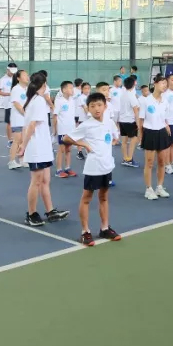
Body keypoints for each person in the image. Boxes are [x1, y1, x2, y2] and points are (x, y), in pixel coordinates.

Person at [64, 92, 122, 246]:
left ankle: (104, 228)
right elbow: (66, 138)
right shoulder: (86, 125)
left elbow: (115, 137)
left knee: (104, 197)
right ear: (88, 109)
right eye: (93, 106)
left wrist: (113, 140)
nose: (97, 108)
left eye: (99, 105)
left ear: (105, 106)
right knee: (87, 199)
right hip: (93, 168)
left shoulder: (109, 122)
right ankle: (85, 232)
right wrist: (84, 144)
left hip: (107, 166)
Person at [19, 74, 69, 227]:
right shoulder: (38, 101)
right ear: (44, 85)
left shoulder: (35, 100)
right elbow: (31, 126)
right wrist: (23, 145)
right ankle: (31, 214)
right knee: (36, 181)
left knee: (46, 180)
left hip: (44, 147)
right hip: (36, 149)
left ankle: (50, 211)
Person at [139, 75, 172, 201]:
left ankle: (159, 187)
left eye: (166, 84)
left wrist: (167, 126)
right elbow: (141, 120)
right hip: (149, 132)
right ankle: (149, 189)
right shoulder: (146, 101)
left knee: (162, 162)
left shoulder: (165, 101)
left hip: (162, 132)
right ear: (155, 84)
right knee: (149, 162)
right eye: (162, 83)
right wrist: (141, 136)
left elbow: (165, 118)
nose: (164, 86)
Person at [53, 81, 77, 178]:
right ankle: (58, 170)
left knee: (69, 149)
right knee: (61, 150)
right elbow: (55, 116)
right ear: (64, 90)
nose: (72, 90)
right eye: (70, 88)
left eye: (72, 87)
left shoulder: (72, 100)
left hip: (71, 129)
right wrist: (55, 130)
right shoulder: (59, 101)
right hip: (62, 129)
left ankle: (67, 168)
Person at [7, 70, 29, 170]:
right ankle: (11, 161)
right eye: (24, 75)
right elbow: (17, 104)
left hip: (25, 119)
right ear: (18, 78)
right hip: (17, 119)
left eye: (27, 75)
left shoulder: (27, 89)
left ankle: (22, 159)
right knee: (17, 140)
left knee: (23, 140)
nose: (27, 77)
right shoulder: (16, 89)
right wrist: (25, 114)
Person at [117, 75, 140, 168]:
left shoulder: (123, 95)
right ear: (134, 84)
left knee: (124, 141)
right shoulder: (131, 96)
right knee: (134, 139)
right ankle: (129, 159)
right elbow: (136, 111)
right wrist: (138, 123)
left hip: (122, 120)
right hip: (130, 121)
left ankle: (125, 158)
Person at [0, 62, 17, 147]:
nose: (12, 73)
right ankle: (10, 140)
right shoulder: (3, 79)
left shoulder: (17, 78)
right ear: (7, 70)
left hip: (18, 104)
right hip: (8, 104)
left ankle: (18, 139)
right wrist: (9, 94)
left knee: (18, 122)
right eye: (11, 71)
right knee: (10, 123)